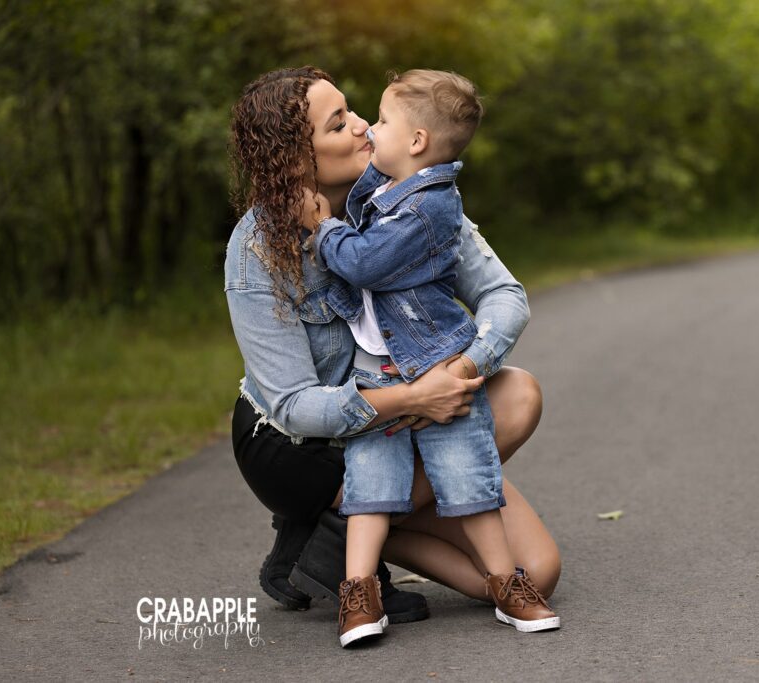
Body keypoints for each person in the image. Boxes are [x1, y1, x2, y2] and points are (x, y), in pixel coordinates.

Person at [225, 66, 561, 637]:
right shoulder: (257, 251)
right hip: (308, 446)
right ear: (296, 159)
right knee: (373, 449)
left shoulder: (414, 197)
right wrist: (412, 397)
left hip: (414, 416)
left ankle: (332, 543)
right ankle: (339, 532)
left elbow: (503, 294)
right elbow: (294, 405)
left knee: (541, 568)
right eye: (340, 124)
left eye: (359, 113)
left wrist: (461, 370)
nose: (362, 127)